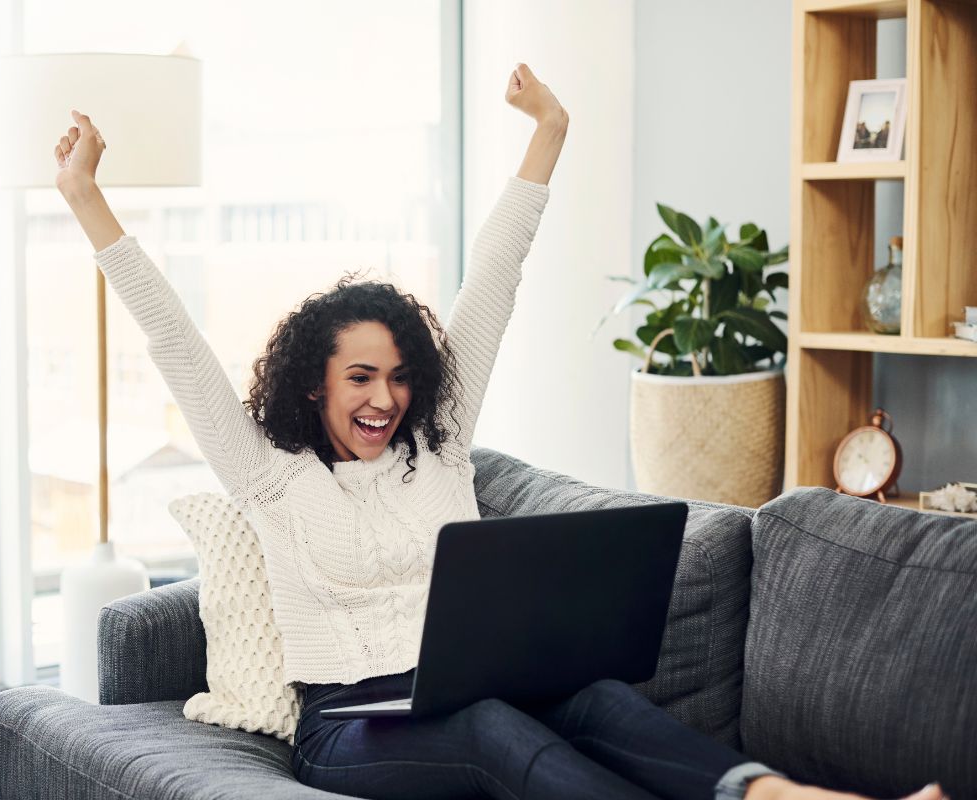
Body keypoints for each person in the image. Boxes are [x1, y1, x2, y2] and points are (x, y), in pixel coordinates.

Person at [53, 63, 948, 800]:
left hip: (481, 685)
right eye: (360, 377)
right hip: (349, 727)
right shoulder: (269, 473)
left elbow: (494, 282)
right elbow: (172, 336)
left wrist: (547, 133)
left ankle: (787, 798)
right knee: (492, 731)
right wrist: (85, 195)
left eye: (401, 376)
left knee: (593, 698)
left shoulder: (436, 447)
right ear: (311, 383)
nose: (385, 398)